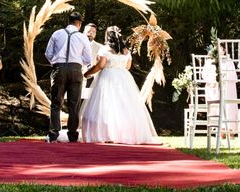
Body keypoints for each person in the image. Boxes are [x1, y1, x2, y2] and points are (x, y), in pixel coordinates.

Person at [80, 26, 159, 145]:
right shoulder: (126, 51)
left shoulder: (105, 50)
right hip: (124, 79)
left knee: (105, 106)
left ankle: (105, 134)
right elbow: (128, 66)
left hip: (107, 78)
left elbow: (100, 66)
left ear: (108, 36)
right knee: (123, 107)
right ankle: (124, 134)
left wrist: (87, 73)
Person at [44, 11, 92, 143]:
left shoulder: (57, 33)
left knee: (56, 102)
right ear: (80, 24)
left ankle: (53, 134)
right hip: (76, 69)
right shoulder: (83, 38)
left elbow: (48, 53)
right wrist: (78, 63)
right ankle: (72, 135)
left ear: (69, 21)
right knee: (74, 104)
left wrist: (55, 62)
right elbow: (88, 59)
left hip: (59, 68)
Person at [202, 44, 238, 137]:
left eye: (220, 48)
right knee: (216, 102)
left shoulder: (228, 61)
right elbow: (205, 75)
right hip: (214, 88)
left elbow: (232, 75)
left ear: (224, 50)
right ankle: (219, 128)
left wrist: (223, 79)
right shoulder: (209, 61)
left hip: (227, 87)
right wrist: (213, 81)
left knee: (229, 105)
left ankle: (229, 130)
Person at [82, 23, 101, 88]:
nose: (91, 33)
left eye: (93, 32)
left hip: (93, 80)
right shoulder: (77, 45)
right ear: (84, 32)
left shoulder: (100, 47)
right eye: (89, 31)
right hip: (78, 77)